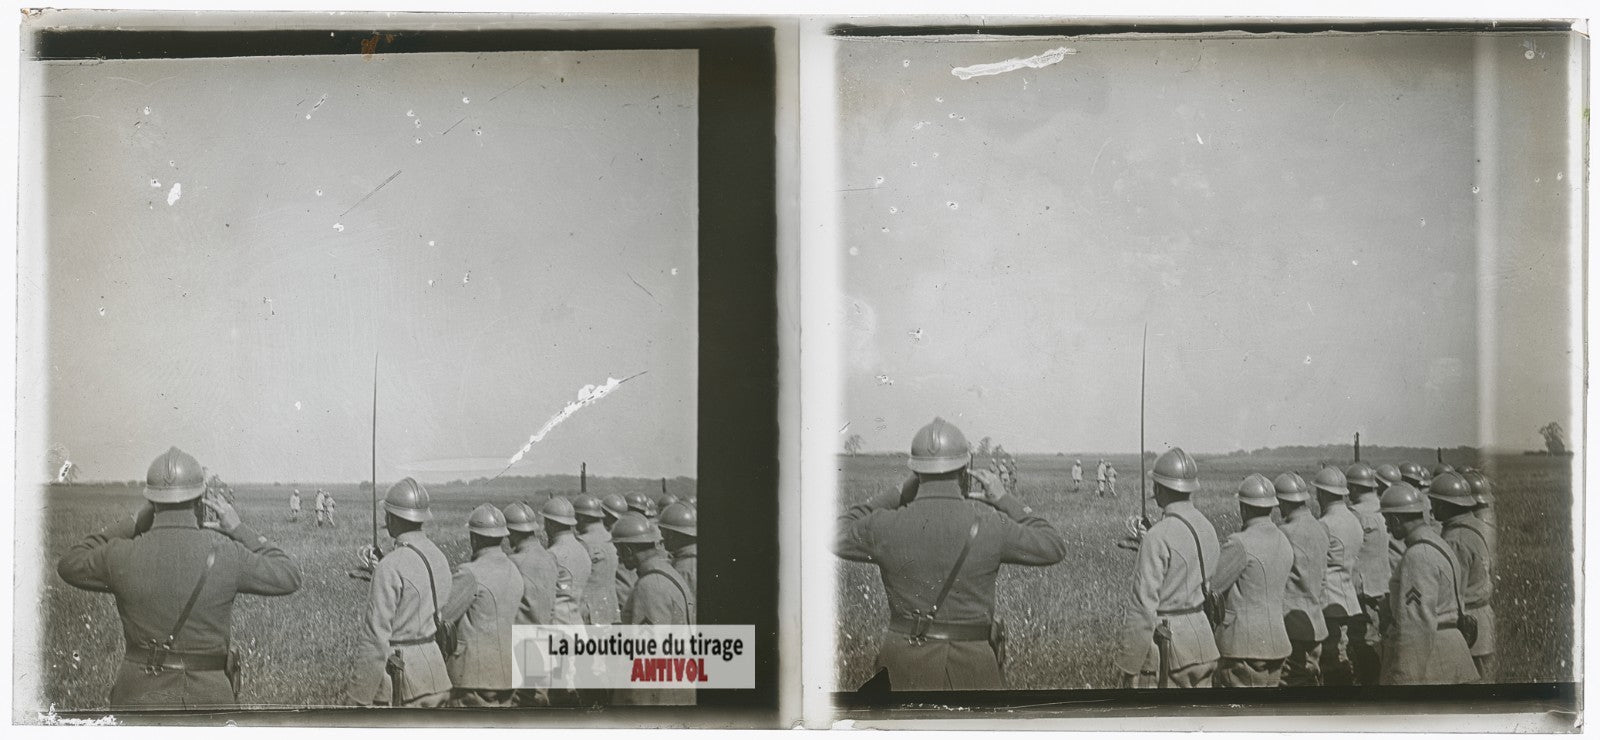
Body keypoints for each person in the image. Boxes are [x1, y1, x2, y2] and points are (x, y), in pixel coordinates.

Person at [57, 447, 302, 709]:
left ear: (152, 502)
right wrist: (239, 529)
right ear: (200, 500)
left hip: (137, 698)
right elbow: (289, 575)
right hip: (209, 701)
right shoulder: (228, 555)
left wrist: (133, 523)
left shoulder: (120, 555)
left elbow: (69, 562)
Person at [835, 417, 1066, 690]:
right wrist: (1004, 499)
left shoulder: (885, 525)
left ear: (916, 471)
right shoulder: (991, 524)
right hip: (974, 669)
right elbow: (1053, 545)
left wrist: (897, 492)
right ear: (964, 470)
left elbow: (836, 533)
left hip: (902, 668)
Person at [344, 478, 466, 707]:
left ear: (391, 518)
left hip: (403, 681)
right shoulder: (439, 557)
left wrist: (356, 699)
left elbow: (375, 640)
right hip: (437, 675)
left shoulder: (390, 566)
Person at [1114, 447, 1219, 689]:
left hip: (1169, 649)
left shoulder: (1158, 536)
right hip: (1204, 642)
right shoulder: (1207, 527)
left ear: (1159, 488)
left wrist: (1130, 667)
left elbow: (1142, 607)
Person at [1378, 482, 1478, 685]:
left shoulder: (1418, 556)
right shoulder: (1438, 543)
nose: (1387, 527)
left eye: (1387, 520)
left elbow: (1416, 623)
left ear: (1396, 520)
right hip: (1451, 652)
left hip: (1433, 661)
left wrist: (1404, 678)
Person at [1211, 474, 1293, 687]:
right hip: (1277, 644)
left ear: (1244, 508)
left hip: (1243, 647)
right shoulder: (1283, 539)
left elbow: (1211, 586)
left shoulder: (1240, 543)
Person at [612, 513, 696, 705]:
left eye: (618, 549)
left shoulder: (650, 586)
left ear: (628, 549)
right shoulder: (667, 572)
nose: (617, 555)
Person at [446, 504, 524, 707]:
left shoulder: (470, 573)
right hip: (507, 675)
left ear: (474, 538)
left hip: (473, 678)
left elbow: (442, 615)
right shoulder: (514, 570)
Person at [1429, 473, 1496, 682]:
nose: (1432, 507)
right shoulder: (1477, 525)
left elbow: (1451, 590)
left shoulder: (1455, 539)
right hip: (1483, 617)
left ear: (1445, 505)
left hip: (1468, 623)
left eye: (1435, 502)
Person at [1275, 471, 1328, 686]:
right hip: (1315, 619)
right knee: (1311, 676)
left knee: (1293, 682)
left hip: (1291, 624)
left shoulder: (1285, 532)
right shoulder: (1320, 527)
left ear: (1284, 502)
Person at [1314, 466, 1362, 685]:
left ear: (1322, 493)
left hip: (1328, 600)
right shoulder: (1353, 519)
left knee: (1331, 657)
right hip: (1347, 595)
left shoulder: (1325, 524)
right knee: (1341, 649)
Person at [1345, 461, 1389, 686]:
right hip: (1382, 583)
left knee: (1362, 641)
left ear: (1354, 488)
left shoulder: (1355, 514)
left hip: (1362, 588)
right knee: (1377, 637)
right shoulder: (1383, 507)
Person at [542, 497, 590, 627]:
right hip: (578, 623)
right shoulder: (583, 549)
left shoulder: (552, 554)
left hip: (558, 626)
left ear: (550, 524)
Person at [572, 494, 620, 626]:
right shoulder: (611, 538)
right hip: (612, 611)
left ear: (581, 517)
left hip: (590, 614)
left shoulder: (583, 543)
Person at [601, 493, 637, 607]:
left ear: (607, 514)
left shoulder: (610, 537)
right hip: (632, 590)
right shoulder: (629, 532)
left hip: (620, 594)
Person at [658, 502, 698, 597]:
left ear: (671, 534)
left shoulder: (683, 569)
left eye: (663, 532)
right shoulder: (689, 558)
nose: (661, 538)